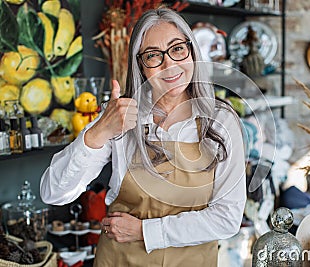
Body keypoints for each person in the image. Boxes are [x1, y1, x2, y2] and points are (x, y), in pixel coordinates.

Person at [40, 8, 246, 267]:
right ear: (141, 65)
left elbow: (227, 219)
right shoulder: (118, 115)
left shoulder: (221, 120)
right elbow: (54, 193)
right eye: (153, 56)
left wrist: (145, 232)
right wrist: (100, 130)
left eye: (178, 49)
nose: (169, 64)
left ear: (192, 52)